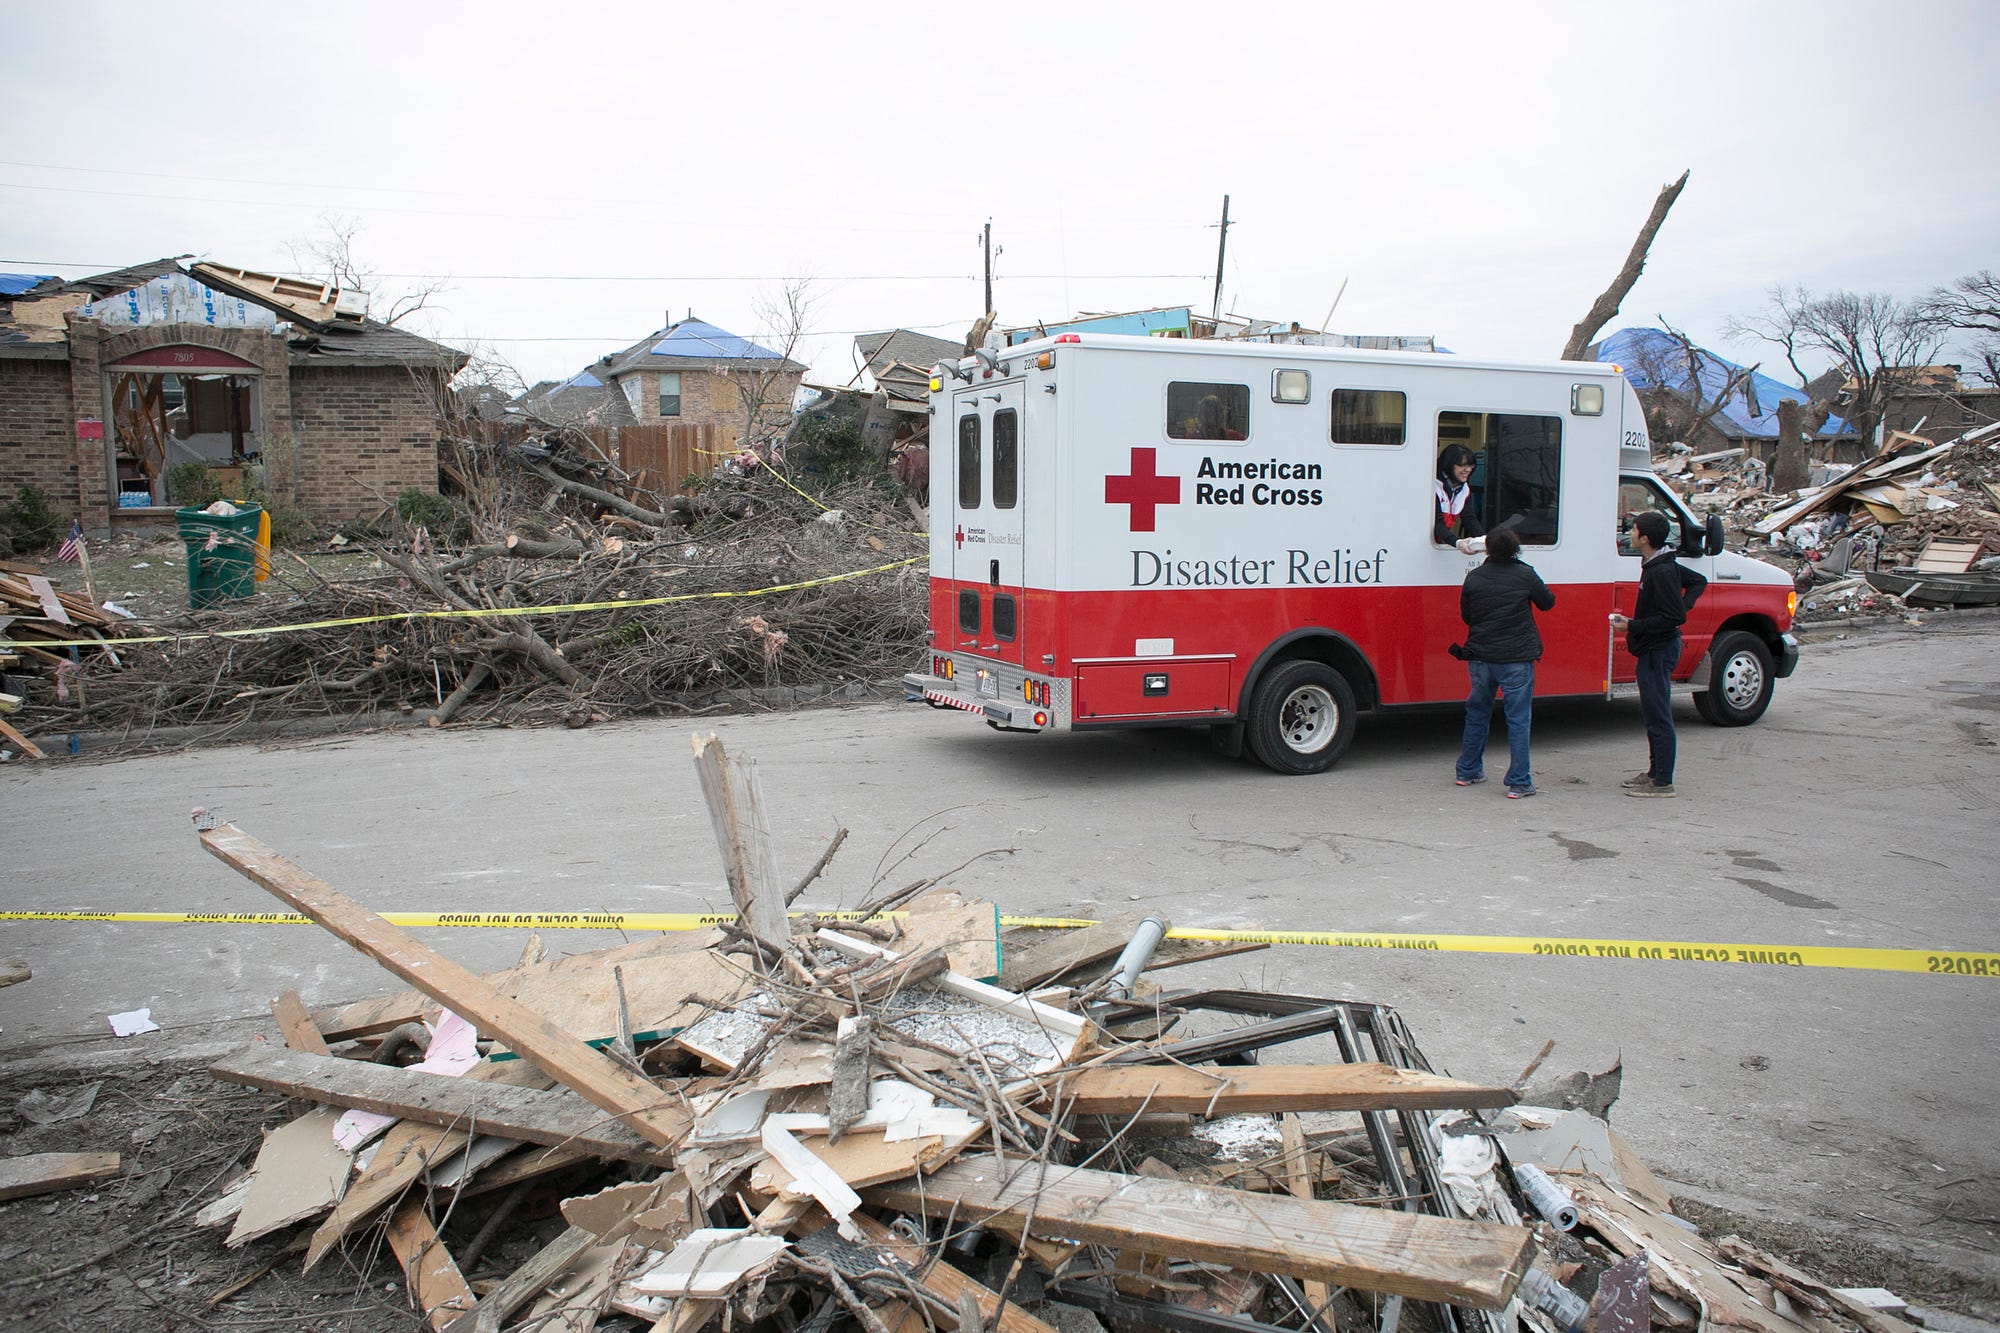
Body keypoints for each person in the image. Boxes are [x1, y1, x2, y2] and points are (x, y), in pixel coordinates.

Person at [1453, 528, 1555, 798]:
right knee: (1518, 719)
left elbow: (1467, 616)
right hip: (1516, 658)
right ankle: (1519, 782)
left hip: (1480, 657)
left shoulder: (1474, 578)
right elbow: (1547, 603)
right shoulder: (1525, 574)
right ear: (1515, 549)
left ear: (1487, 550)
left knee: (1477, 713)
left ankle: (1467, 770)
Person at [1611, 510, 1685, 798]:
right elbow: (1695, 582)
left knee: (1658, 716)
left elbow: (1673, 616)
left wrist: (1633, 625)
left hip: (1658, 649)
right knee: (1651, 713)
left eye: (1633, 530)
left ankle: (1663, 782)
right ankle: (1654, 772)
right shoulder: (1657, 564)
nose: (1629, 534)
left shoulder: (1663, 570)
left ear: (1645, 538)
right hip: (1651, 648)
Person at [1434, 444, 1484, 548]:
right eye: (1462, 465)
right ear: (1448, 465)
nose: (1468, 470)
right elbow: (1436, 524)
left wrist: (1484, 540)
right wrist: (1457, 542)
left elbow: (1469, 519)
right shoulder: (1433, 487)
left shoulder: (1464, 489)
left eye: (1471, 466)